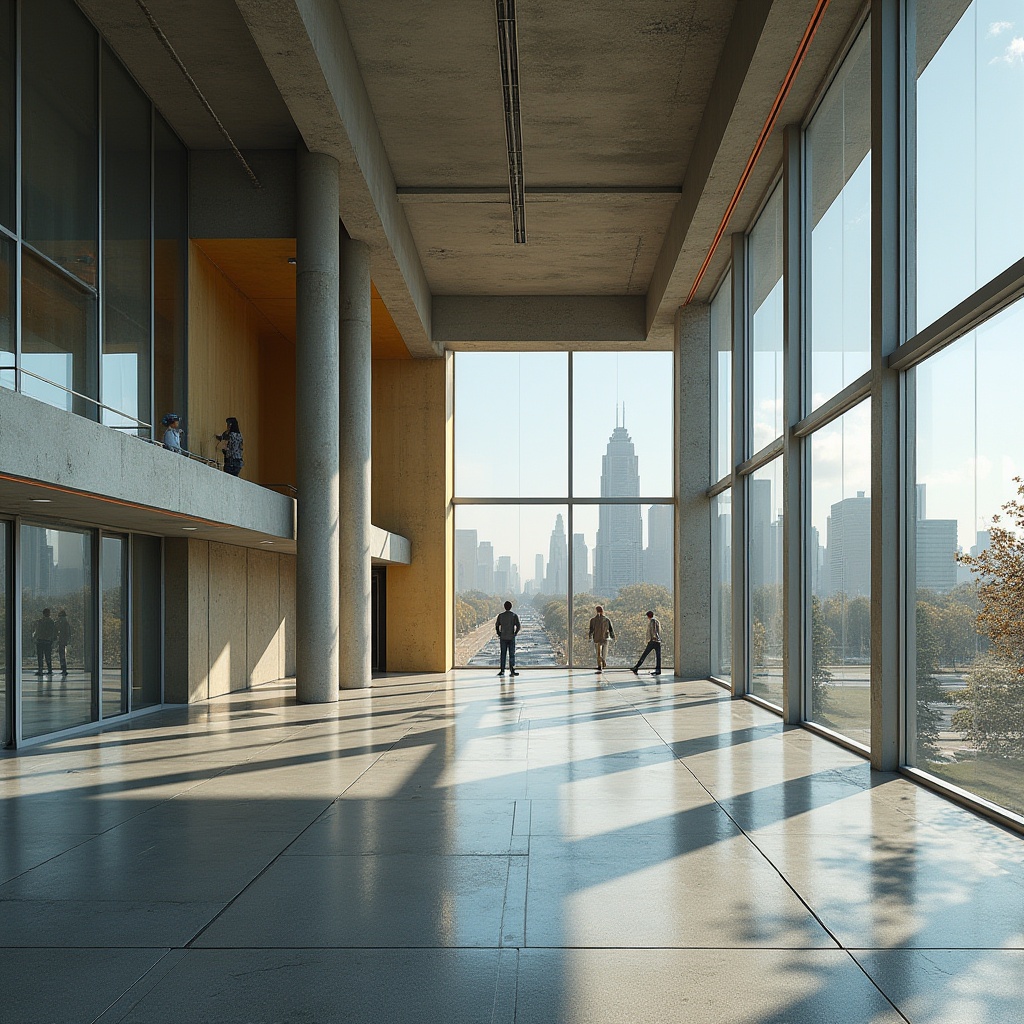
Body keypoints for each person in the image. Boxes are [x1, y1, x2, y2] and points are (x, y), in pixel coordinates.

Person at [631, 610, 662, 676]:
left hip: (653, 641)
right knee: (658, 656)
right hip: (657, 641)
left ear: (648, 616)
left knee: (645, 654)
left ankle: (636, 667)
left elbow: (654, 631)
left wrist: (653, 638)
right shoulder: (656, 621)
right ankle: (658, 670)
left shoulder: (652, 621)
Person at [495, 600, 521, 677]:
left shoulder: (501, 616)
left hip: (503, 637)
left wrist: (499, 633)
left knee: (503, 654)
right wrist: (515, 633)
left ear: (504, 607)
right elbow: (518, 626)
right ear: (511, 607)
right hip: (511, 637)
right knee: (511, 654)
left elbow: (497, 626)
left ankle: (502, 670)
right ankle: (512, 671)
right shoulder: (514, 615)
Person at [588, 605, 615, 673]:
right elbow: (611, 629)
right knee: (604, 652)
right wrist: (613, 637)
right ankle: (603, 661)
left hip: (596, 638)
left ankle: (599, 665)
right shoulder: (606, 619)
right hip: (605, 638)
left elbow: (591, 630)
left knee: (598, 653)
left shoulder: (593, 620)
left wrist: (590, 637)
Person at [32, 608, 55, 675]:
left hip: (40, 640)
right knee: (48, 656)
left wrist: (34, 637)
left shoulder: (40, 621)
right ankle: (49, 669)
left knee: (40, 657)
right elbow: (53, 632)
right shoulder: (51, 622)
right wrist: (52, 639)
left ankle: (40, 670)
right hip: (47, 641)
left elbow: (37, 630)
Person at [55, 609, 71, 677]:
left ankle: (64, 669)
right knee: (62, 655)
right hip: (62, 641)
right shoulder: (64, 623)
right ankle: (63, 669)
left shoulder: (64, 623)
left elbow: (66, 633)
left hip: (62, 641)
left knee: (62, 655)